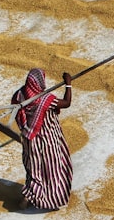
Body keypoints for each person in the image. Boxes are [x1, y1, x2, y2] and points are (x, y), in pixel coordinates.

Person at [12, 68, 73, 210]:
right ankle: (52, 200)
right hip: (48, 141)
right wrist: (68, 84)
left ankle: (28, 196)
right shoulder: (45, 100)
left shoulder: (19, 95)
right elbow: (66, 103)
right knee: (52, 169)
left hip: (29, 141)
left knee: (34, 170)